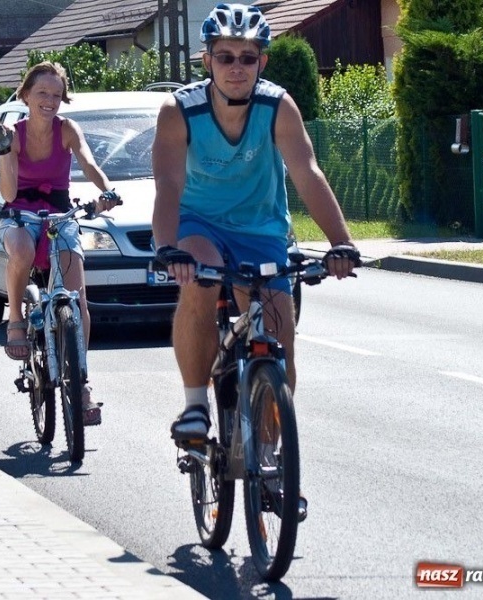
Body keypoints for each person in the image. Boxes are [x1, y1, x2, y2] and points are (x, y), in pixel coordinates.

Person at [151, 3, 360, 520]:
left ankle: (268, 456)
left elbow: (307, 173)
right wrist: (168, 248)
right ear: (207, 61)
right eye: (226, 56)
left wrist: (342, 243)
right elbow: (169, 185)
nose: (237, 66)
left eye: (248, 56)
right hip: (201, 225)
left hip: (264, 230)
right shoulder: (179, 111)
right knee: (198, 282)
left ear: (262, 62)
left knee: (278, 347)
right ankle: (197, 404)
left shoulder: (278, 107)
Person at [0, 61, 120, 426]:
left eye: (57, 95)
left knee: (77, 296)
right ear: (25, 95)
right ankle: (15, 319)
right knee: (22, 251)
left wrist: (107, 191)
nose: (50, 101)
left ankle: (82, 382)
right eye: (42, 93)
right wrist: (5, 151)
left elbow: (89, 164)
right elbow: (8, 193)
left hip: (59, 216)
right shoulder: (12, 133)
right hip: (20, 216)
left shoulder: (68, 129)